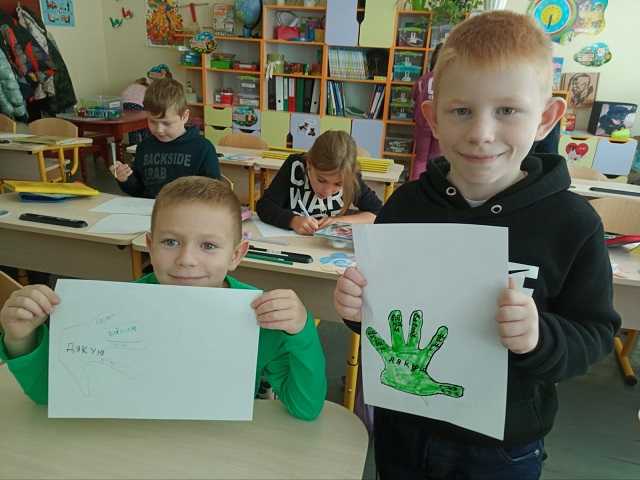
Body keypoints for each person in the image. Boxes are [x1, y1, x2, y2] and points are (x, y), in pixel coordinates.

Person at [333, 11, 620, 479]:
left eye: (507, 111)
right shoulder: (406, 205)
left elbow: (595, 333)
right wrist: (356, 307)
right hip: (404, 426)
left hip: (501, 448)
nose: (481, 133)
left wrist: (539, 337)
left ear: (547, 118)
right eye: (461, 111)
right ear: (433, 118)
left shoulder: (572, 223)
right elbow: (386, 315)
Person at [0, 177, 327, 421]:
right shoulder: (116, 311)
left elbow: (306, 407)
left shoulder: (258, 318)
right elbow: (52, 396)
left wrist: (302, 331)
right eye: (170, 242)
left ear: (236, 255)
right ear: (150, 245)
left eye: (208, 246)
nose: (186, 260)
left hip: (219, 447)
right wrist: (21, 340)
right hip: (135, 443)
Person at [256, 130, 382, 235]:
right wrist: (293, 221)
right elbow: (264, 206)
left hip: (327, 248)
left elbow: (377, 213)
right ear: (309, 164)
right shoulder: (296, 166)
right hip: (293, 243)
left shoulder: (350, 175)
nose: (327, 191)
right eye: (321, 180)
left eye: (338, 184)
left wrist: (339, 221)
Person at [110, 78, 220, 198]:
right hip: (150, 208)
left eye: (167, 123)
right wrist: (125, 179)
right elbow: (138, 190)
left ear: (185, 116)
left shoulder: (203, 148)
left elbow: (213, 192)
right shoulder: (144, 147)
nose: (159, 130)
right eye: (152, 121)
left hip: (187, 208)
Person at [410, 43, 442, 180]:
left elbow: (413, 98)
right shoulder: (450, 80)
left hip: (422, 123)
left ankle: (417, 186)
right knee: (437, 159)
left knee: (420, 159)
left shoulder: (422, 80)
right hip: (440, 125)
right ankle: (433, 185)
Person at [121, 76, 151, 145]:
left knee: (132, 127)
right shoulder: (146, 88)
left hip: (124, 105)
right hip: (137, 105)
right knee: (144, 126)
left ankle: (133, 147)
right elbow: (148, 103)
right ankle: (146, 145)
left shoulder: (131, 86)